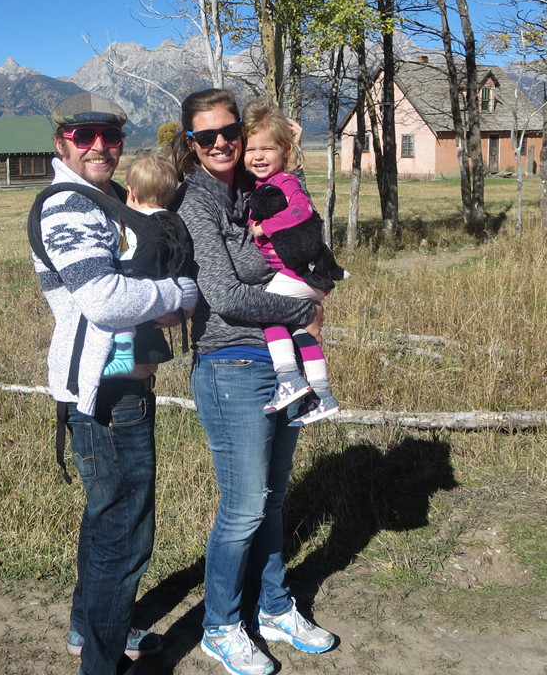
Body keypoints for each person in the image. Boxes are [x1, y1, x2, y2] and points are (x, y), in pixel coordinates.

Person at [31, 93, 199, 675]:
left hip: (113, 387)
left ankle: (89, 630)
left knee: (107, 520)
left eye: (111, 135)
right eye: (85, 135)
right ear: (62, 142)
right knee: (126, 532)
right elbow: (103, 300)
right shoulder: (67, 209)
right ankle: (102, 666)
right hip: (108, 395)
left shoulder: (101, 201)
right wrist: (181, 296)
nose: (100, 145)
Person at [172, 88, 338, 675]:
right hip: (230, 366)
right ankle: (221, 625)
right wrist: (304, 307)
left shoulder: (259, 186)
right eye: (206, 136)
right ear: (191, 144)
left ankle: (273, 608)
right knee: (243, 508)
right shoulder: (196, 203)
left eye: (229, 131)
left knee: (272, 501)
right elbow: (224, 296)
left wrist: (315, 277)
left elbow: (303, 242)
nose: (221, 143)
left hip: (279, 361)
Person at [241, 101, 346, 427]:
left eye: (267, 149)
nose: (258, 156)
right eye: (250, 149)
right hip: (307, 278)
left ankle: (289, 378)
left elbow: (303, 213)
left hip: (296, 272)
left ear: (284, 152)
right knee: (302, 332)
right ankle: (323, 395)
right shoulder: (263, 183)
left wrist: (264, 227)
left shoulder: (285, 182)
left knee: (269, 310)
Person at [102, 151, 190, 379]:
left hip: (141, 280)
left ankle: (123, 356)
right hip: (167, 285)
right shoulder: (174, 221)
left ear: (130, 191)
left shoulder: (141, 224)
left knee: (122, 314)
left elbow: (133, 255)